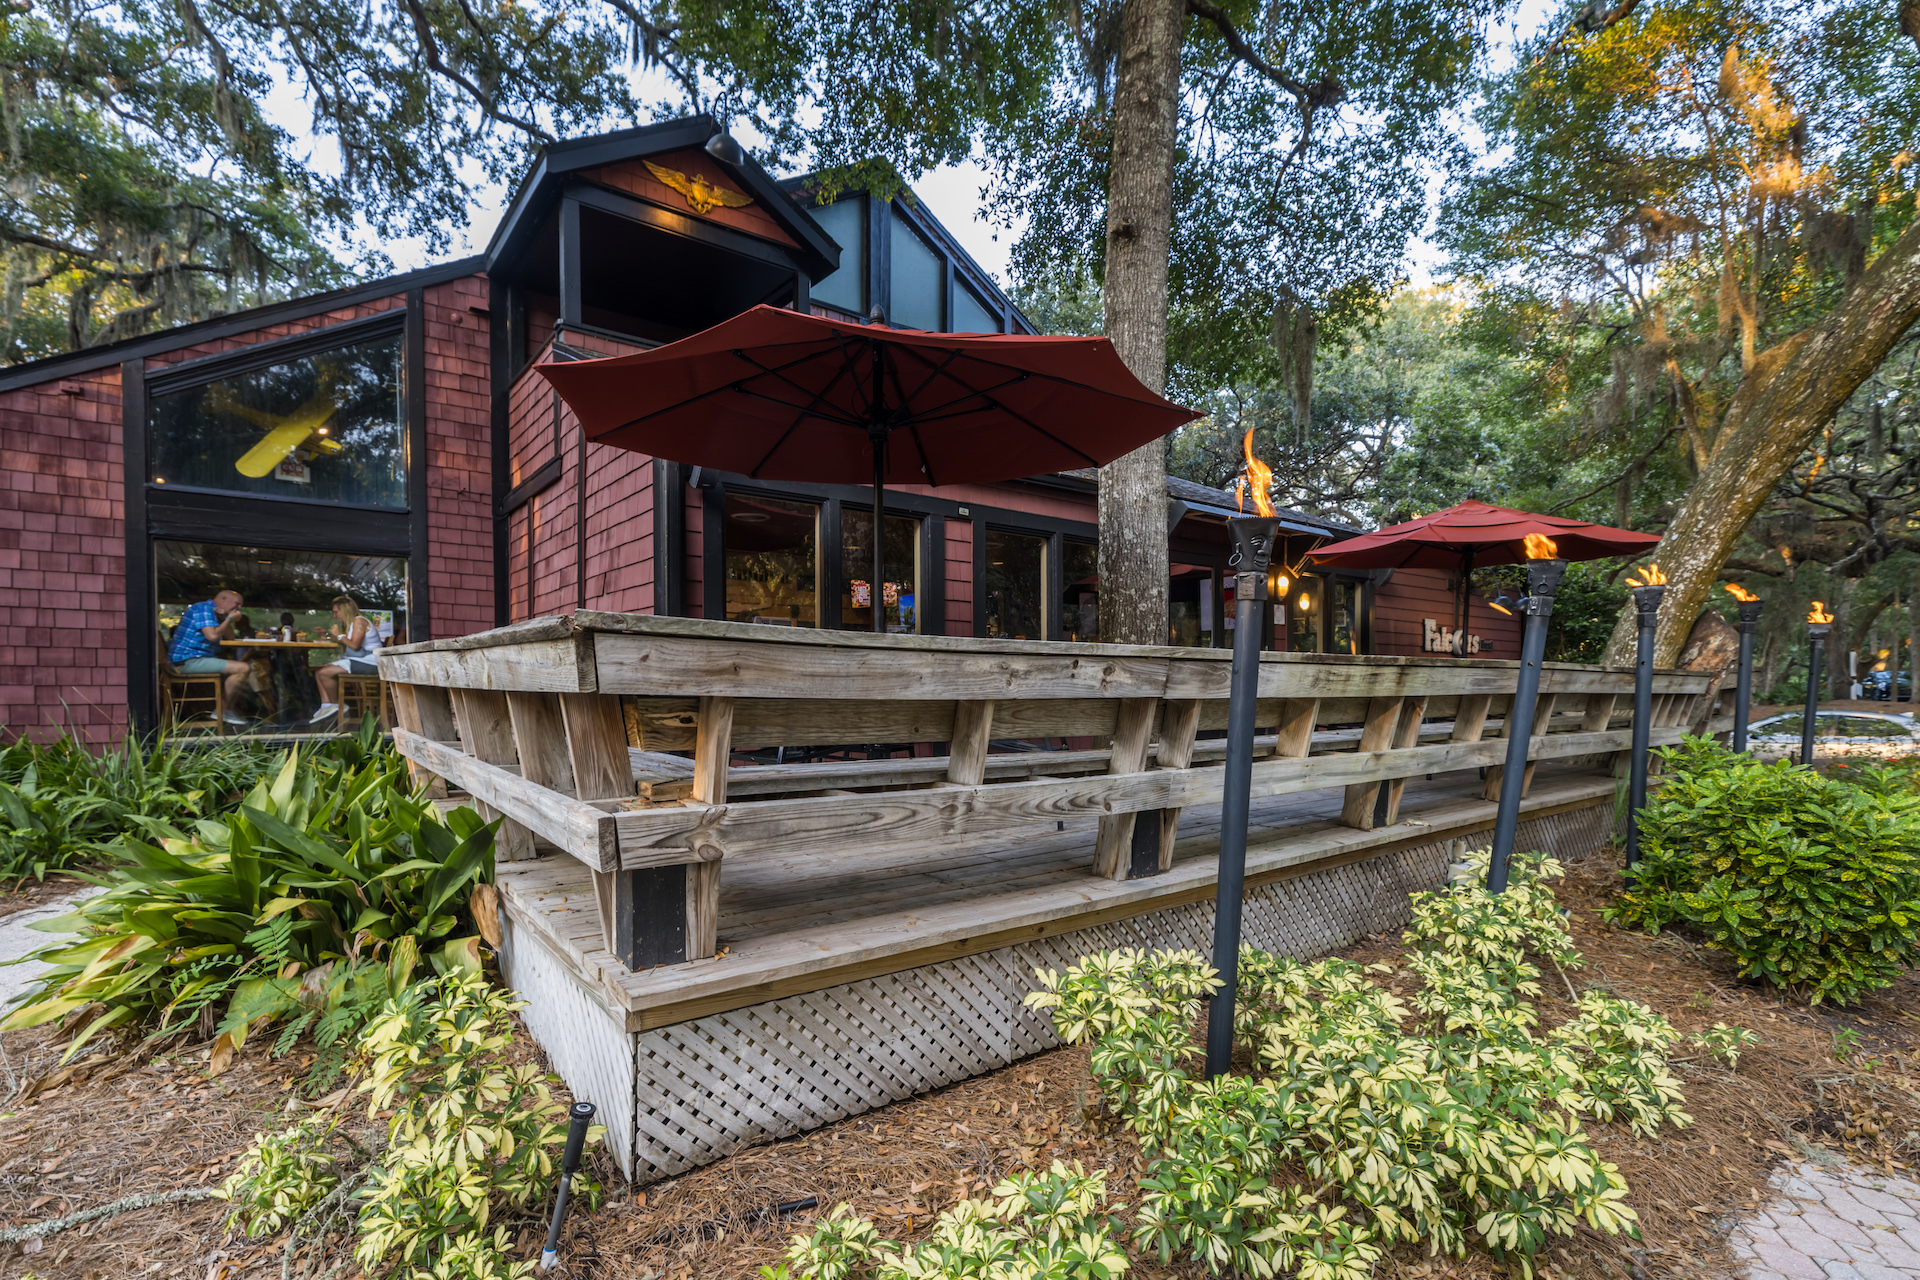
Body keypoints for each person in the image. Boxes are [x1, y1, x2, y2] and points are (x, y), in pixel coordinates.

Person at [167, 589, 251, 725]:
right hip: (186, 660)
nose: (239, 608)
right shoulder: (203, 609)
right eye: (237, 603)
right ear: (223, 599)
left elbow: (230, 638)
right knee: (243, 668)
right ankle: (222, 711)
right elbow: (212, 636)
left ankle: (225, 711)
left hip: (195, 659)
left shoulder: (213, 612)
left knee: (240, 668)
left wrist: (225, 618)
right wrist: (230, 618)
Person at [309, 596, 383, 723]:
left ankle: (337, 705)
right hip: (362, 660)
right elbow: (346, 643)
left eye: (336, 612)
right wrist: (327, 634)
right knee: (319, 673)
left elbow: (354, 645)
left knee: (324, 673)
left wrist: (340, 635)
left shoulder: (359, 621)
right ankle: (327, 706)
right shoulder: (353, 624)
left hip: (371, 663)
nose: (334, 616)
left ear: (345, 610)